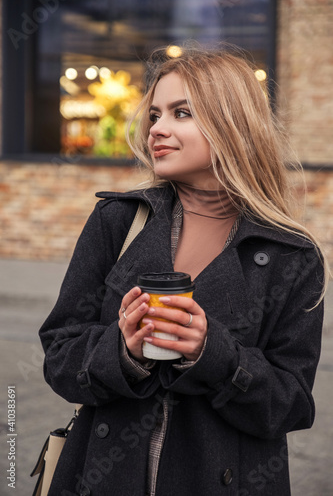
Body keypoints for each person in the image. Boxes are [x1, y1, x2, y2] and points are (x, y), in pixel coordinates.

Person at [39, 44, 327, 496]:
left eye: (182, 113)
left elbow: (290, 406)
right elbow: (59, 355)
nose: (158, 129)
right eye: (155, 114)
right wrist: (124, 352)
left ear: (232, 125)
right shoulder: (118, 222)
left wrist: (213, 353)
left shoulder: (291, 255)